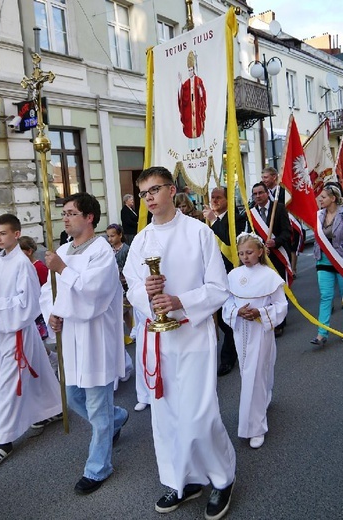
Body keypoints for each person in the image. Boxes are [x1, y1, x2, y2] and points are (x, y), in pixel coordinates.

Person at [124, 167, 236, 520]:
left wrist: (178, 302)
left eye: (155, 189)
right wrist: (150, 298)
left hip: (193, 335)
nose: (149, 198)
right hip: (158, 339)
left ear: (172, 191)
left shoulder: (198, 232)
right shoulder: (141, 241)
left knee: (200, 414)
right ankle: (183, 480)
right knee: (168, 416)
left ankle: (221, 478)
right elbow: (132, 283)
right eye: (144, 193)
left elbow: (219, 288)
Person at [40, 193, 128, 495]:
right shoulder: (64, 249)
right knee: (74, 397)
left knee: (97, 408)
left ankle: (98, 467)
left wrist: (63, 269)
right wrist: (52, 313)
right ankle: (119, 416)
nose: (65, 218)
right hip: (70, 339)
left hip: (94, 339)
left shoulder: (102, 250)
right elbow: (47, 291)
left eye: (71, 213)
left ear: (89, 217)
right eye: (63, 213)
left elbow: (96, 291)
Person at [0, 214, 62, 469]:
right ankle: (55, 408)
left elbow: (27, 304)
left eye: (3, 233)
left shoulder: (22, 264)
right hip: (6, 328)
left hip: (18, 329)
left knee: (8, 385)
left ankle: (3, 440)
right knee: (42, 372)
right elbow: (2, 291)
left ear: (16, 234)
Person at [222, 232, 287, 449]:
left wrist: (261, 312)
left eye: (249, 252)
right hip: (241, 330)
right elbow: (227, 303)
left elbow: (280, 306)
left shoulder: (269, 276)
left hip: (261, 331)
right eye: (241, 253)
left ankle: (255, 427)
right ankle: (263, 400)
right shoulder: (233, 275)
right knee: (249, 374)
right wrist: (237, 311)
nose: (245, 257)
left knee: (255, 374)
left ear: (260, 251)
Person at [203, 186, 247, 376]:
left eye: (218, 197)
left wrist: (213, 220)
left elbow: (230, 240)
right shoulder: (206, 221)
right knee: (222, 318)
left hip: (231, 272)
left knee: (228, 316)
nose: (214, 200)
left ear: (228, 199)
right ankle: (235, 345)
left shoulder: (237, 218)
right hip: (213, 274)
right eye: (213, 197)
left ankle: (228, 358)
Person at [311, 185, 343, 345]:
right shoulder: (318, 216)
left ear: (333, 198)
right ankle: (322, 333)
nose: (320, 199)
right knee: (326, 296)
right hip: (324, 261)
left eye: (323, 197)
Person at [251, 182, 292, 337]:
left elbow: (287, 232)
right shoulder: (252, 212)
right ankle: (269, 320)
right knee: (265, 290)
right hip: (261, 257)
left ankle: (280, 322)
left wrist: (276, 242)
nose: (258, 196)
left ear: (267, 193)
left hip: (278, 255)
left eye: (260, 193)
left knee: (278, 289)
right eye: (255, 194)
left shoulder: (279, 208)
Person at [19, 236, 58, 374]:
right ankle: (51, 360)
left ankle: (53, 361)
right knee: (34, 341)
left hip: (39, 309)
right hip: (29, 308)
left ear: (29, 251)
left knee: (38, 341)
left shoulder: (39, 267)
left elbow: (46, 287)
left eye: (20, 251)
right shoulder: (23, 266)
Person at [106, 224, 134, 385]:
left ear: (120, 235)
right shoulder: (109, 250)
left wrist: (124, 275)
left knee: (125, 310)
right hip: (114, 282)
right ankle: (127, 332)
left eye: (113, 236)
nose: (111, 239)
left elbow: (128, 265)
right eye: (108, 236)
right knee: (121, 311)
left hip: (123, 282)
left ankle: (131, 331)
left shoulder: (125, 249)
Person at [178, 51, 207, 151]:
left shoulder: (199, 80)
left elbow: (203, 94)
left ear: (194, 70)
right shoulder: (186, 83)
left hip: (197, 108)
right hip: (189, 111)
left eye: (191, 70)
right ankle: (191, 148)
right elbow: (182, 94)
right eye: (188, 70)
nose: (189, 72)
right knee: (190, 128)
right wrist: (179, 82)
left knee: (198, 128)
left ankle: (199, 146)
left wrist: (199, 90)